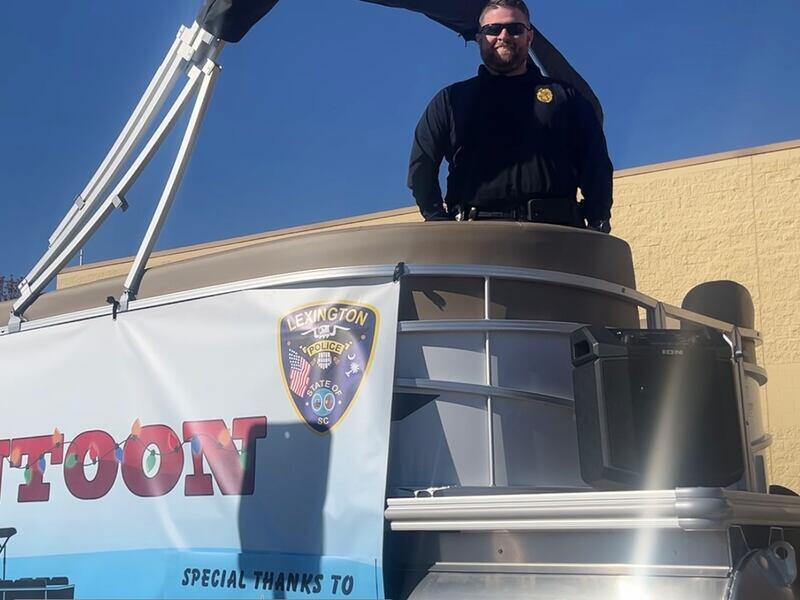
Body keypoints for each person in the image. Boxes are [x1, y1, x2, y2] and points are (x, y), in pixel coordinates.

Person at [407, 0, 613, 232]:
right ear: (479, 38)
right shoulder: (451, 100)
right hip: (475, 237)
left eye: (515, 29)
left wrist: (598, 220)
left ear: (529, 37)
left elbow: (596, 163)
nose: (503, 36)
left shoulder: (567, 98)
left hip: (556, 235)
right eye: (493, 29)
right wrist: (437, 220)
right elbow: (422, 166)